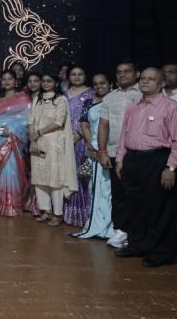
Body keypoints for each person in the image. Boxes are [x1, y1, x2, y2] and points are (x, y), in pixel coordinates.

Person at [115, 68, 177, 267]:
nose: (145, 82)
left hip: (158, 160)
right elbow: (124, 135)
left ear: (162, 84)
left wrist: (171, 167)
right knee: (135, 206)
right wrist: (120, 159)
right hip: (133, 160)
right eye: (143, 78)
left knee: (159, 208)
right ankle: (138, 245)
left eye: (151, 79)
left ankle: (161, 252)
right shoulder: (133, 107)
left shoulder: (171, 107)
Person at [97, 61, 141, 249]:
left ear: (137, 74)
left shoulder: (144, 94)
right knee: (119, 194)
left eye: (127, 71)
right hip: (115, 151)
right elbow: (103, 126)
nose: (122, 75)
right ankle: (121, 230)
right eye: (119, 72)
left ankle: (138, 233)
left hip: (140, 153)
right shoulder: (109, 98)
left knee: (139, 194)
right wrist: (102, 151)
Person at [28, 73, 78, 227]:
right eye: (43, 81)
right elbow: (31, 121)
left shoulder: (61, 100)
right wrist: (33, 139)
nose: (45, 83)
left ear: (56, 83)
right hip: (38, 143)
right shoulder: (37, 100)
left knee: (54, 179)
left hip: (54, 143)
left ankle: (57, 214)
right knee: (39, 178)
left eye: (49, 81)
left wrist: (39, 133)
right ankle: (45, 210)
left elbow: (58, 122)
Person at [72, 73, 115, 240]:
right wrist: (91, 144)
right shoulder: (89, 103)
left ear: (110, 84)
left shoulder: (115, 100)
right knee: (94, 188)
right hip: (94, 149)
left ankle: (111, 226)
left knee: (110, 189)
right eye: (96, 84)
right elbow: (84, 124)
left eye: (102, 83)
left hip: (111, 148)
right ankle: (97, 224)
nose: (99, 86)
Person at [0, 70, 34, 217]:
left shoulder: (24, 98)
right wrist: (1, 131)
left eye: (10, 78)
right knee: (3, 170)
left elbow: (27, 120)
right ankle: (4, 203)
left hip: (15, 139)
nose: (7, 81)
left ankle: (13, 204)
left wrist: (11, 131)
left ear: (16, 81)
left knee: (13, 170)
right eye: (4, 79)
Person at [63, 65, 95, 227]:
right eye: (73, 74)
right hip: (62, 138)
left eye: (80, 74)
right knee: (64, 173)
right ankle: (64, 211)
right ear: (68, 77)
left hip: (81, 139)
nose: (77, 77)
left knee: (79, 174)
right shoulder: (63, 93)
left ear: (86, 76)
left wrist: (78, 135)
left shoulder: (91, 93)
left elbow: (91, 117)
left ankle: (82, 213)